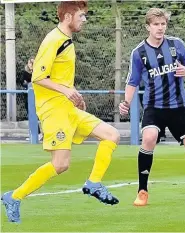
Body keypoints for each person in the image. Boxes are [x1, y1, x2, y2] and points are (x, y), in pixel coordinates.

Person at [1, 1, 121, 223]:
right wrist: (66, 91)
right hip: (54, 111)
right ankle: (14, 196)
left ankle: (93, 184)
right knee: (60, 165)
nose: (85, 20)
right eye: (82, 16)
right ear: (68, 17)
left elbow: (59, 77)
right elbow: (38, 77)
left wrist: (75, 96)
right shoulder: (54, 40)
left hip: (68, 108)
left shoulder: (66, 40)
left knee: (112, 135)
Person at [119, 8, 185, 207]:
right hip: (154, 107)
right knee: (149, 138)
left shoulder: (176, 44)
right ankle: (142, 191)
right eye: (156, 24)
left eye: (163, 24)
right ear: (148, 27)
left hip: (179, 106)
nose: (160, 28)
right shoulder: (139, 53)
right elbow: (133, 82)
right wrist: (126, 103)